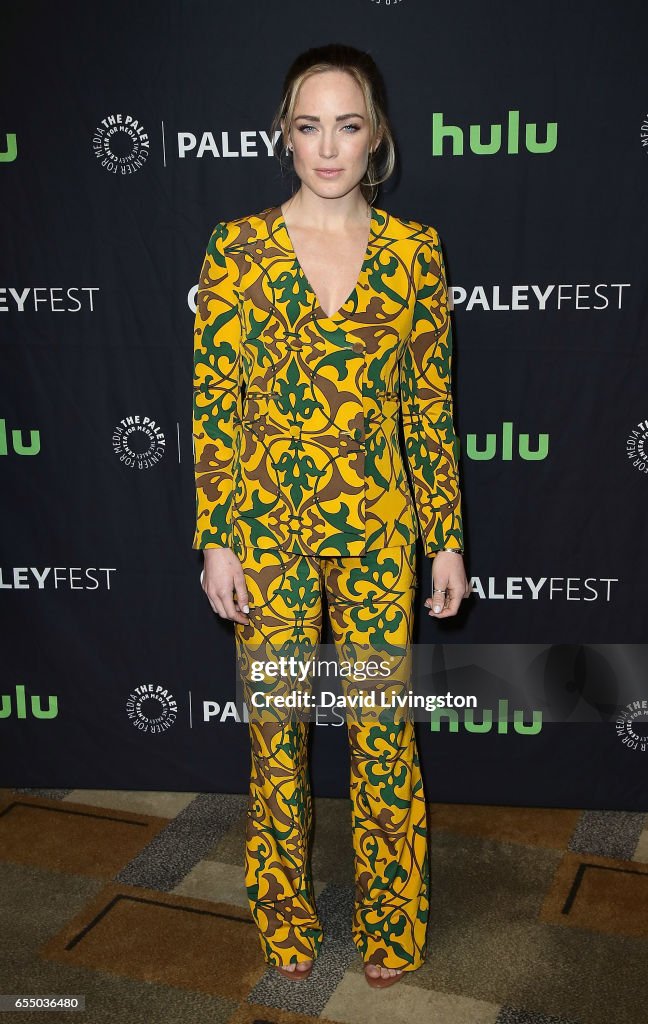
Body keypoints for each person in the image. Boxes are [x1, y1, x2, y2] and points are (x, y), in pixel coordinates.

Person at [192, 42, 470, 989]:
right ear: (284, 130)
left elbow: (430, 406)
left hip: (382, 534)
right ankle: (283, 914)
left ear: (376, 135)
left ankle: (393, 920)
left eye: (348, 125)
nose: (327, 146)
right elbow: (216, 403)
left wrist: (448, 539)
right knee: (278, 738)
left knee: (383, 734)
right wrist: (217, 536)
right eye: (309, 125)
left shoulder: (414, 252)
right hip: (264, 534)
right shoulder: (236, 249)